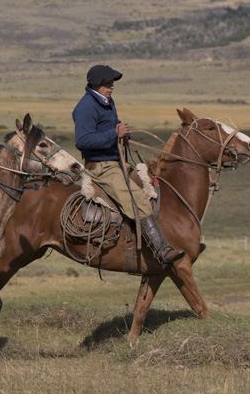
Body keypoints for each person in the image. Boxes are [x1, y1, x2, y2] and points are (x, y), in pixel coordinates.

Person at [72, 64, 184, 265]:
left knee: (151, 183)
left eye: (112, 82)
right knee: (137, 199)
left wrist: (124, 133)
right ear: (96, 84)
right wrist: (114, 134)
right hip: (101, 167)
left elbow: (111, 124)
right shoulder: (86, 107)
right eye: (107, 83)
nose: (112, 86)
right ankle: (161, 251)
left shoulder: (106, 101)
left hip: (116, 162)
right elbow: (83, 141)